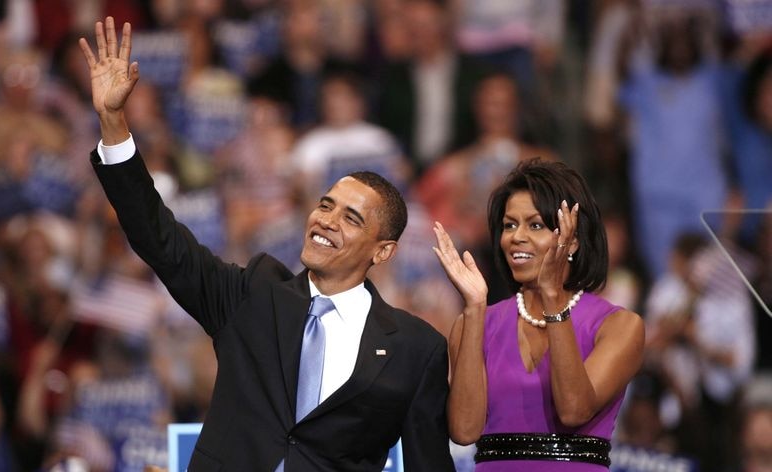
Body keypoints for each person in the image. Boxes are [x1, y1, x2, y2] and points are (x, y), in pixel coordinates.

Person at [78, 17, 454, 471]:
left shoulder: (415, 348)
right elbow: (158, 238)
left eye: (350, 218)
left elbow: (429, 464)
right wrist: (113, 122)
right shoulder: (253, 294)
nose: (326, 220)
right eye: (326, 204)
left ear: (383, 250)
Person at [433, 159, 644, 470]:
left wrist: (552, 296)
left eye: (535, 225)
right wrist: (475, 308)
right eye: (509, 225)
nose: (517, 237)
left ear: (571, 240)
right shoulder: (474, 322)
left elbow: (574, 409)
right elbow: (464, 430)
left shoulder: (619, 326)